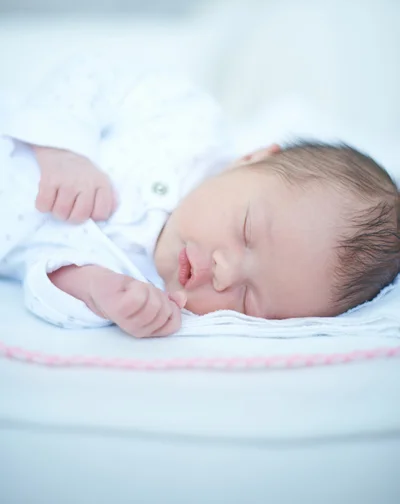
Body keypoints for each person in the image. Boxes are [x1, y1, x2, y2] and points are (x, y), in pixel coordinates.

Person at [0, 55, 399, 338]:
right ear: (252, 158)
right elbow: (85, 77)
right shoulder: (184, 123)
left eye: (247, 300)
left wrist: (94, 290)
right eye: (246, 232)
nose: (225, 273)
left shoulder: (140, 281)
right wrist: (65, 150)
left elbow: (38, 276)